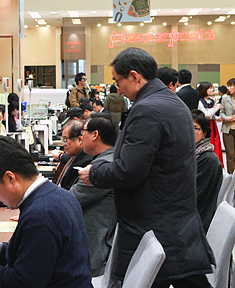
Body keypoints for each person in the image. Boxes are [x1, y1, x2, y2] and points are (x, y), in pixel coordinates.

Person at [79, 47, 214, 287]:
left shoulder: (148, 109)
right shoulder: (171, 101)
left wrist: (95, 173)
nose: (117, 88)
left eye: (118, 81)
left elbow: (129, 170)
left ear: (134, 76)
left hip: (154, 217)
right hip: (174, 214)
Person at [0, 136, 92, 288]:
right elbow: (38, 258)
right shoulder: (57, 196)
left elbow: (22, 282)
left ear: (10, 178)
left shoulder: (41, 215)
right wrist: (2, 251)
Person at [70, 113, 118, 277]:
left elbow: (71, 198)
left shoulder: (104, 167)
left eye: (83, 131)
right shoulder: (109, 160)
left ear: (95, 135)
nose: (81, 136)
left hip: (93, 248)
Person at [192, 110, 223, 233]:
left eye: (194, 128)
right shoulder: (192, 154)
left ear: (204, 134)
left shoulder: (207, 160)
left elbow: (192, 195)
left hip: (197, 223)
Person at [56, 120, 92, 189]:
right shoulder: (75, 156)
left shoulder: (85, 162)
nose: (64, 144)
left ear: (80, 139)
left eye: (66, 140)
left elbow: (69, 189)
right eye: (63, 140)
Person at [197, 81, 223, 166]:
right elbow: (207, 114)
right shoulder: (200, 102)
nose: (212, 90)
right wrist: (217, 107)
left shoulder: (211, 100)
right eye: (210, 88)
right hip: (206, 125)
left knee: (216, 145)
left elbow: (213, 115)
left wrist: (218, 118)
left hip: (213, 124)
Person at [220, 78, 235, 174]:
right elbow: (221, 112)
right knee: (231, 155)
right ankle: (232, 177)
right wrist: (226, 118)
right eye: (228, 86)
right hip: (228, 129)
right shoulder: (225, 98)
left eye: (231, 86)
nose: (228, 88)